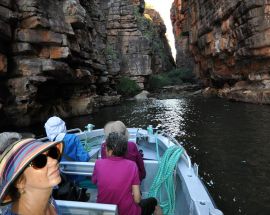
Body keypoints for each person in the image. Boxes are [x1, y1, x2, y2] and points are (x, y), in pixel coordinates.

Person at [92, 132, 160, 215]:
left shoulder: (98, 163)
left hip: (103, 211)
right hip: (127, 212)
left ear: (110, 151)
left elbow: (94, 181)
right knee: (154, 202)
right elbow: (137, 199)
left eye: (106, 147)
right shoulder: (132, 166)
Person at [0, 132, 63, 215]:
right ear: (19, 181)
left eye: (53, 153)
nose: (54, 161)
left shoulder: (47, 197)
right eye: (39, 161)